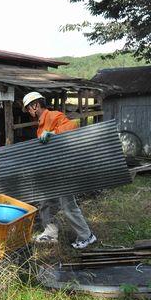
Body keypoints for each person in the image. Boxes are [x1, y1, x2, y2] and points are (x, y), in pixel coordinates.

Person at [22, 91, 97, 249]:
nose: (29, 112)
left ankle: (87, 236)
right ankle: (50, 233)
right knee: (46, 202)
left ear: (35, 105)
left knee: (68, 204)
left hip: (64, 169)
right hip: (52, 170)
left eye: (28, 108)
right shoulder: (40, 126)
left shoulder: (53, 116)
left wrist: (54, 133)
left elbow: (72, 127)